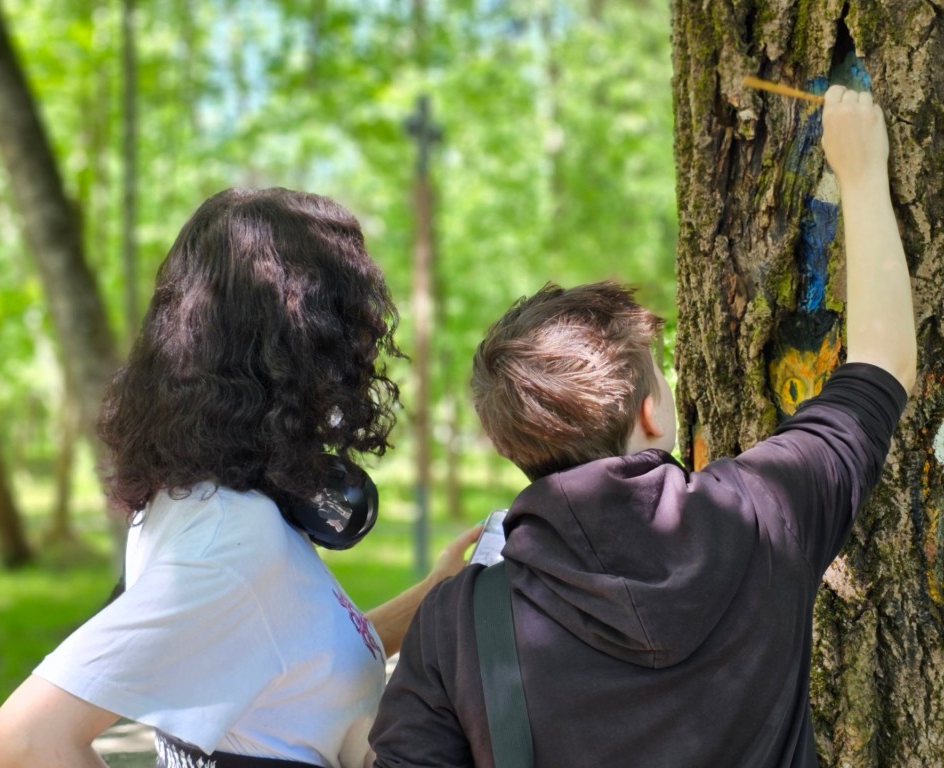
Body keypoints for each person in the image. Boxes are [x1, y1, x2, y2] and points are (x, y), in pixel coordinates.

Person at [369, 85, 916, 767]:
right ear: (650, 411)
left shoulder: (458, 627)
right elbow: (882, 364)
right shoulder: (763, 512)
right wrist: (862, 175)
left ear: (514, 442)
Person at [0, 187, 480, 768]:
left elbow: (290, 670)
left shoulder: (193, 497)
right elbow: (24, 741)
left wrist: (431, 598)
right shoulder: (231, 537)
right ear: (308, 344)